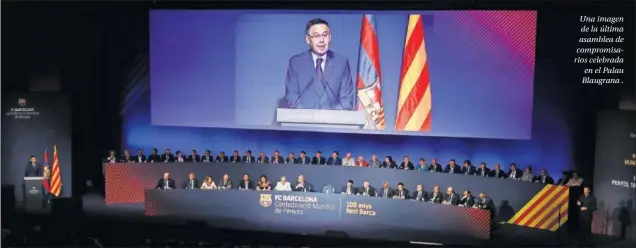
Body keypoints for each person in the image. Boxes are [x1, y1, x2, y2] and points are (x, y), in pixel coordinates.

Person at [284, 18, 355, 110]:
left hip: (333, 123)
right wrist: (308, 117)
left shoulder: (341, 63)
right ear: (308, 39)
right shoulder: (296, 63)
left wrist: (329, 117)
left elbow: (347, 101)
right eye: (316, 36)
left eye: (325, 35)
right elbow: (292, 98)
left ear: (330, 37)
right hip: (303, 122)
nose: (321, 40)